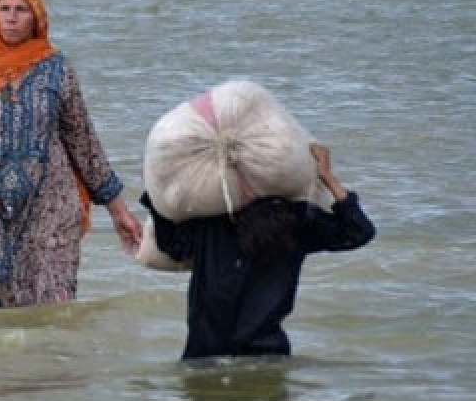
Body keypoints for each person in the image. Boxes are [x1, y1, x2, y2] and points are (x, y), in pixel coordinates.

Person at [0, 0, 142, 308]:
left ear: (37, 17)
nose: (11, 17)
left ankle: (57, 360)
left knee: (55, 308)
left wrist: (119, 211)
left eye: (21, 10)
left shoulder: (57, 70)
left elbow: (83, 143)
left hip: (50, 207)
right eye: (4, 8)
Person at [140, 143, 376, 361]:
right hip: (267, 357)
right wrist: (328, 178)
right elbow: (358, 231)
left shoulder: (211, 222)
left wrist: (159, 190)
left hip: (205, 356)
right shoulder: (297, 222)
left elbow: (173, 246)